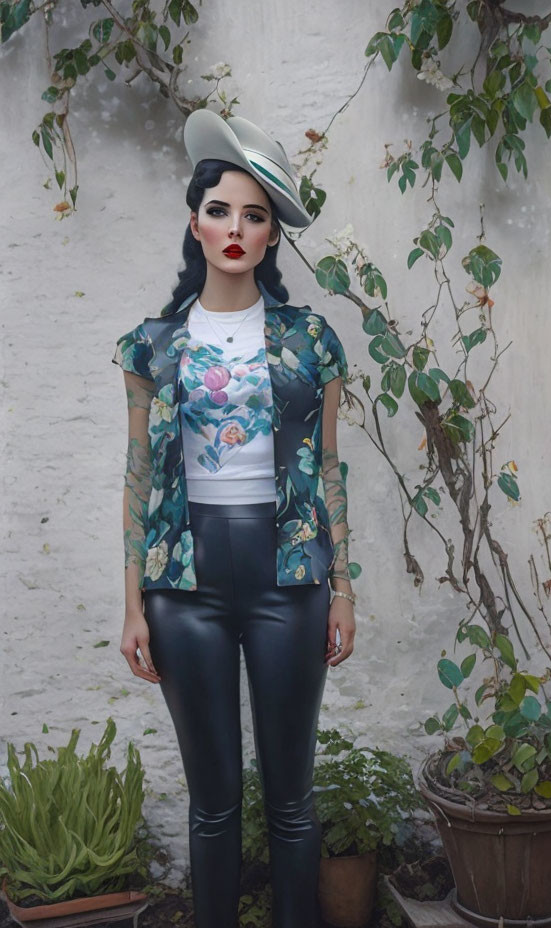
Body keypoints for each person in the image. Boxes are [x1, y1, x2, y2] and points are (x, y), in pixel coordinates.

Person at [111, 110, 357, 928]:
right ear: (195, 222)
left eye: (255, 215)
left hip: (291, 580)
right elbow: (139, 474)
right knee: (213, 805)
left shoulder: (310, 341)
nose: (236, 228)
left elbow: (327, 468)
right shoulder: (152, 347)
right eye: (220, 210)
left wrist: (344, 590)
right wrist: (132, 600)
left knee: (291, 799)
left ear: (272, 237)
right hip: (185, 587)